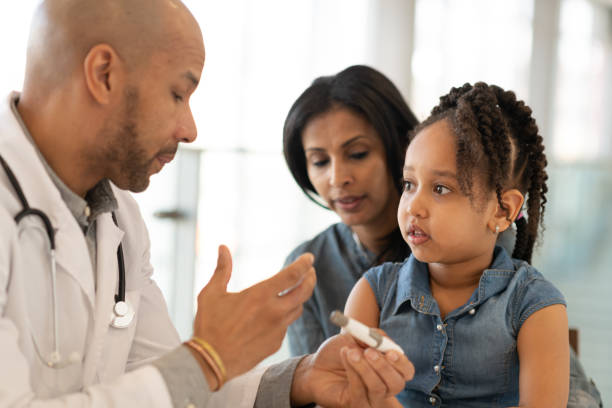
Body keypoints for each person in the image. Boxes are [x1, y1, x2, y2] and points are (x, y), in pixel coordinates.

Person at [0, 1, 415, 407]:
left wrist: (302, 377)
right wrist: (208, 357)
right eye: (179, 93)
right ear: (104, 75)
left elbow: (170, 383)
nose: (190, 129)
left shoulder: (118, 217)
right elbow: (189, 375)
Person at [343, 82, 599, 407]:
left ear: (503, 210)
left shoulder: (536, 305)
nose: (413, 206)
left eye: (440, 189)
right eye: (409, 184)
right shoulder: (373, 294)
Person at [283, 65, 418, 356]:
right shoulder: (306, 269)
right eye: (319, 161)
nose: (337, 178)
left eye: (358, 154)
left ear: (400, 147)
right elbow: (312, 391)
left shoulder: (457, 250)